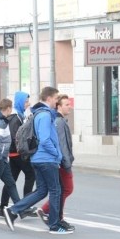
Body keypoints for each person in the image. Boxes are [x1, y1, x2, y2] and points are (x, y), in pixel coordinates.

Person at [3, 87, 67, 234]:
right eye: (56, 98)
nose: (57, 101)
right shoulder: (45, 115)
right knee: (55, 190)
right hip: (47, 159)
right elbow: (45, 139)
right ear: (49, 98)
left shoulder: (38, 113)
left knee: (42, 191)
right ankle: (55, 225)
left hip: (38, 158)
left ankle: (13, 211)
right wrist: (57, 154)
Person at [37, 94, 75, 230]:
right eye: (66, 104)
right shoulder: (58, 121)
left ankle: (56, 216)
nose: (69, 107)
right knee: (65, 189)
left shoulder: (60, 120)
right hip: (61, 162)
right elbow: (61, 144)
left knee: (62, 190)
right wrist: (66, 162)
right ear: (59, 106)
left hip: (60, 160)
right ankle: (50, 213)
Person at [1, 91, 35, 209]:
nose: (28, 103)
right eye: (25, 101)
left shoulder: (19, 115)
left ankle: (3, 206)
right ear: (20, 102)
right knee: (31, 174)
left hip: (14, 153)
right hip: (17, 153)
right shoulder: (15, 118)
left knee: (11, 180)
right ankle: (26, 204)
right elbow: (16, 137)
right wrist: (25, 150)